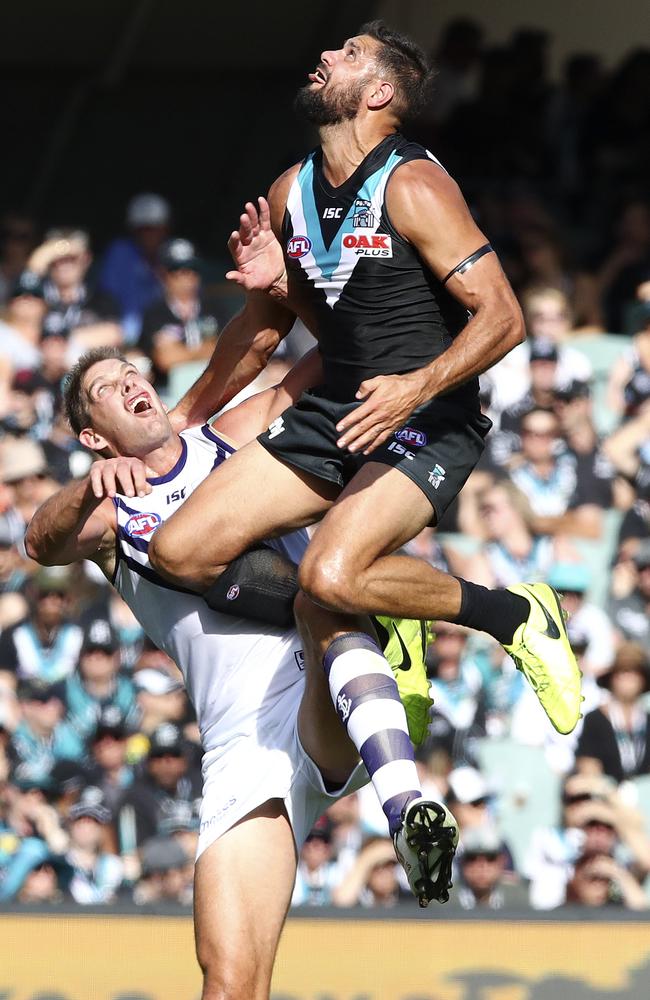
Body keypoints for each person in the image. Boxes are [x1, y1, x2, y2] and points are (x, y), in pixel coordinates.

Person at [147, 21, 581, 904]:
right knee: (178, 551)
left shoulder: (414, 182)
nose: (325, 59)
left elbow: (503, 317)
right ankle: (358, 612)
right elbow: (302, 320)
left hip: (430, 413)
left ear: (379, 92)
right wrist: (276, 289)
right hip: (337, 412)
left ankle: (511, 614)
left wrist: (414, 388)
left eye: (346, 55)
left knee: (336, 573)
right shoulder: (290, 188)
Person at [24, 338, 426, 998]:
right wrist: (83, 488)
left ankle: (407, 806)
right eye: (106, 389)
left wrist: (308, 281)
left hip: (328, 681)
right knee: (232, 980)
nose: (129, 384)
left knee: (321, 597)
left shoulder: (228, 437)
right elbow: (39, 541)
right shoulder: (107, 513)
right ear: (95, 438)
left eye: (132, 373)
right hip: (245, 742)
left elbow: (311, 367)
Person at [139, 238, 220, 393]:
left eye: (193, 268)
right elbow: (164, 359)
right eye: (176, 269)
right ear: (163, 273)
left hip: (213, 389)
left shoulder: (214, 308)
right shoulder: (154, 314)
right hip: (168, 393)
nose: (187, 275)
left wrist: (179, 351)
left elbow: (225, 351)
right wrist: (205, 348)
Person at [576, 643, 650, 783]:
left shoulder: (647, 720)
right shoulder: (596, 719)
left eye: (634, 672)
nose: (627, 678)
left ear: (643, 679)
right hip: (604, 799)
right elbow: (588, 770)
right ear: (612, 678)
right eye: (621, 671)